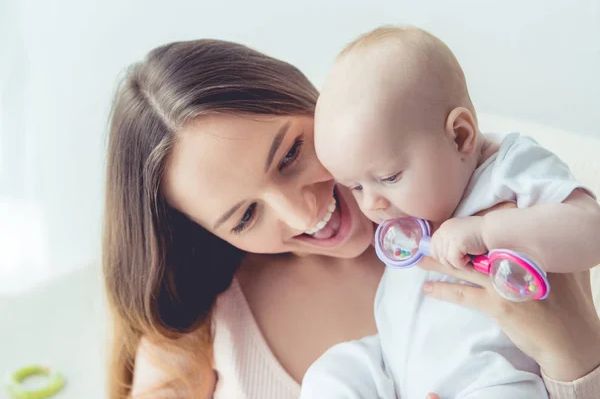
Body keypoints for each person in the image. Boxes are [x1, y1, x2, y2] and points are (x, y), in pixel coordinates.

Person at [102, 38, 600, 399]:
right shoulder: (199, 323)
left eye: (291, 154)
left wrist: (577, 358)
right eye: (246, 216)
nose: (303, 210)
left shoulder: (499, 212)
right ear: (209, 234)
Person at [302, 26, 600, 398]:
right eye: (357, 187)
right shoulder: (401, 214)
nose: (370, 205)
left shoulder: (508, 169)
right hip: (392, 369)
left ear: (460, 136)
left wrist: (488, 232)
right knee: (331, 372)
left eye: (389, 177)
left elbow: (592, 231)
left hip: (489, 379)